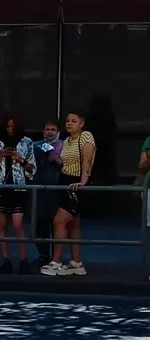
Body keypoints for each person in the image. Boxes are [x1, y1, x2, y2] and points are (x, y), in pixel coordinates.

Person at [40, 109, 96, 277]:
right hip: (64, 182)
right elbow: (64, 162)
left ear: (81, 123)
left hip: (77, 183)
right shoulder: (68, 141)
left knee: (59, 221)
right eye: (67, 121)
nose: (69, 123)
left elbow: (86, 161)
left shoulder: (86, 136)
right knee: (74, 224)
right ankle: (76, 263)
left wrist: (83, 182)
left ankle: (56, 262)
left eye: (73, 121)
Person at [0, 114, 35, 274]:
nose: (10, 130)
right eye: (8, 126)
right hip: (0, 188)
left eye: (13, 127)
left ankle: (23, 260)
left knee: (18, 224)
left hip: (18, 188)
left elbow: (32, 170)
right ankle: (6, 260)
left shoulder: (26, 142)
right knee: (2, 224)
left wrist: (21, 160)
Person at [32, 119, 64, 265]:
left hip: (58, 189)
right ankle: (43, 254)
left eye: (53, 130)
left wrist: (57, 160)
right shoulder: (35, 146)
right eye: (47, 129)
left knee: (57, 224)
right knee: (40, 222)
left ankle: (57, 258)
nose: (50, 132)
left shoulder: (65, 146)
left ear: (58, 132)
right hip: (39, 188)